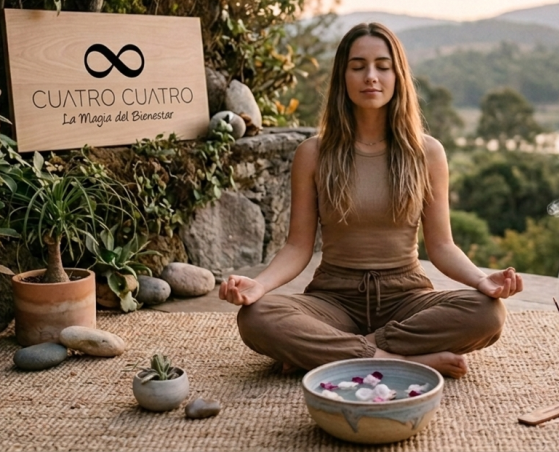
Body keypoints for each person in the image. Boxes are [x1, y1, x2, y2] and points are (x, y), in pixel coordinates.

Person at [218, 23, 523, 378]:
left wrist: (481, 281)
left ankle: (332, 353)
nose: (371, 77)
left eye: (383, 65)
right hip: (333, 298)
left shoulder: (427, 153)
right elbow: (298, 246)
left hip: (405, 295)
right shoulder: (313, 154)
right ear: (343, 77)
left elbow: (441, 245)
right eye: (358, 66)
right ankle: (398, 361)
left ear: (398, 75)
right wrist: (261, 285)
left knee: (488, 313)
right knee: (257, 317)